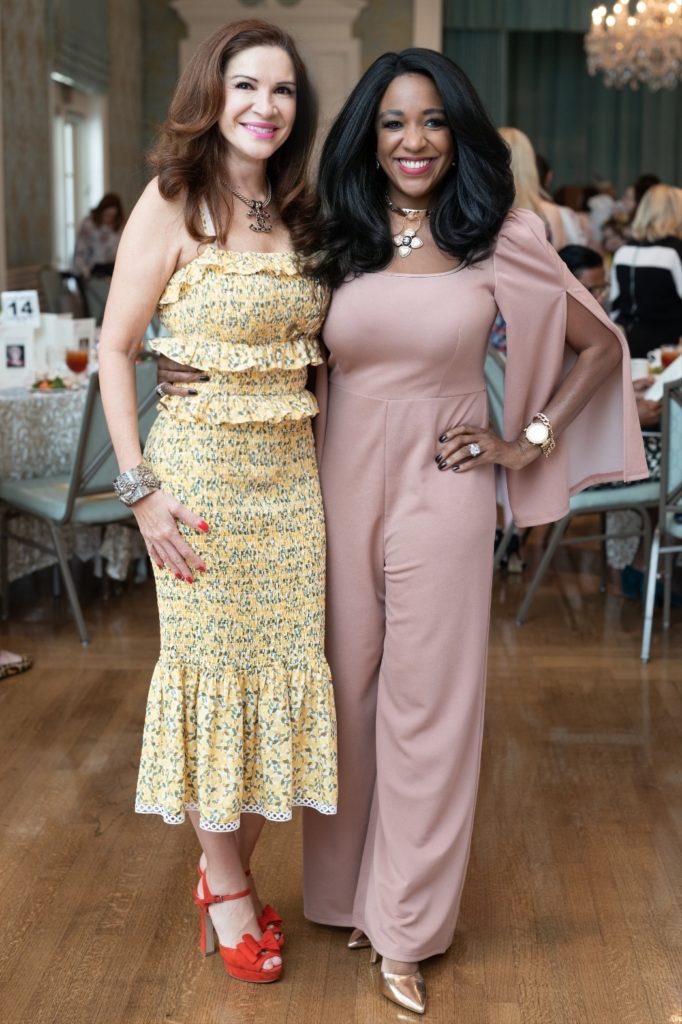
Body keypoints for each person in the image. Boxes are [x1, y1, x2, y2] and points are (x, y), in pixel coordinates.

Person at [158, 48, 646, 1016]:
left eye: (431, 121)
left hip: (444, 484)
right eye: (391, 122)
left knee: (428, 707)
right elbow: (265, 323)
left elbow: (602, 343)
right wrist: (197, 375)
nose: (413, 141)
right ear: (366, 138)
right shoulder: (332, 226)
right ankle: (345, 897)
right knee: (343, 696)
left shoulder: (492, 233)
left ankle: (407, 929)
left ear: (456, 132)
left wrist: (525, 440)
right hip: (332, 479)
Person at [98, 19, 336, 987]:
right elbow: (117, 349)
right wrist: (141, 494)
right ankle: (226, 884)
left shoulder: (304, 211)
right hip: (195, 486)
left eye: (281, 92)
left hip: (291, 484)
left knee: (278, 673)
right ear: (213, 93)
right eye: (246, 87)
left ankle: (229, 865)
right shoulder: (173, 201)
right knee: (206, 682)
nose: (264, 108)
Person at [610, 184, 682, 358]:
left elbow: (615, 306)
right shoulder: (675, 252)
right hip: (668, 351)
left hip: (626, 345)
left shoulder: (623, 252)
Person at [72, 193, 125, 279]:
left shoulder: (117, 228)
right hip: (91, 271)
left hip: (112, 270)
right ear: (102, 211)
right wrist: (84, 271)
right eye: (107, 215)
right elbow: (80, 251)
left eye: (112, 216)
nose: (109, 219)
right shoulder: (89, 225)